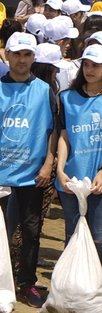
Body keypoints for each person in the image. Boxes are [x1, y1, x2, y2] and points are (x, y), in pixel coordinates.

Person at [0, 31, 57, 308]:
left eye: (27, 55)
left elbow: (52, 131)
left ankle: (26, 283)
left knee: (32, 231)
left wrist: (48, 163)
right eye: (17, 54)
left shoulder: (45, 90)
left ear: (34, 58)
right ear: (7, 55)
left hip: (32, 175)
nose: (22, 59)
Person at [55, 43, 102, 258]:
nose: (90, 70)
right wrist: (60, 169)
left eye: (96, 65)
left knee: (98, 237)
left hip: (99, 180)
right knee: (72, 235)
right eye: (87, 65)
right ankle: (71, 288)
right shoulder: (66, 97)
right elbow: (64, 137)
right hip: (72, 178)